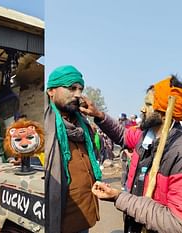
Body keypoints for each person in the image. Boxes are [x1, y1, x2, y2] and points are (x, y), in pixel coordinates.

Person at [82, 75, 182, 233]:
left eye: (148, 104)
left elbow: (176, 223)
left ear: (164, 112)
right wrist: (98, 115)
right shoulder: (145, 136)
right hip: (133, 225)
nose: (142, 108)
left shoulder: (178, 152)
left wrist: (119, 197)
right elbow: (123, 135)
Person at [44, 65, 101, 233]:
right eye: (71, 88)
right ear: (51, 91)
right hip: (60, 218)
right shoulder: (47, 125)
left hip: (85, 213)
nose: (78, 94)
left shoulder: (82, 124)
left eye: (80, 89)